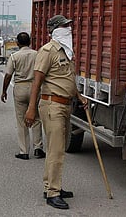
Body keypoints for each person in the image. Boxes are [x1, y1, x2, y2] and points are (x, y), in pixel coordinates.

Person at [25, 15, 87, 210]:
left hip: (65, 105)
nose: (69, 28)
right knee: (56, 150)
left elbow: (67, 78)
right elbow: (37, 81)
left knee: (56, 149)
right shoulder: (47, 51)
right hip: (52, 105)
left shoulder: (66, 52)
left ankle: (52, 186)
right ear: (54, 30)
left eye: (69, 25)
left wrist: (79, 95)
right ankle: (53, 192)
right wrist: (31, 108)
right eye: (64, 26)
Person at [1, 32, 45, 160]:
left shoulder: (14, 56)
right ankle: (38, 148)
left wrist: (4, 91)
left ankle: (24, 151)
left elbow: (8, 75)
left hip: (20, 88)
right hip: (35, 88)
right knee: (36, 118)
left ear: (17, 43)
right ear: (30, 42)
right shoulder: (37, 55)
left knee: (21, 121)